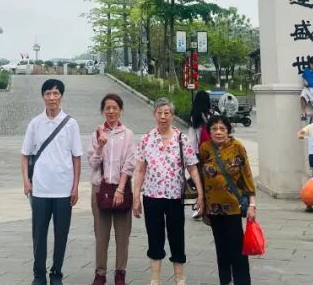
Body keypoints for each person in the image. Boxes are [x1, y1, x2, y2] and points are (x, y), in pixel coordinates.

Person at [132, 97, 204, 285]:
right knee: (154, 235)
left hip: (175, 197)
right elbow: (140, 170)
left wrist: (201, 194)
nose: (163, 116)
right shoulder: (146, 139)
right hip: (152, 196)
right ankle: (155, 278)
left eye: (167, 113)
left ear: (172, 115)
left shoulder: (182, 139)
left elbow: (193, 168)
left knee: (176, 235)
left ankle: (179, 277)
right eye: (159, 113)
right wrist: (136, 196)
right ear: (154, 114)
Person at [21, 79, 83, 285]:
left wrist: (75, 187)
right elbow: (24, 155)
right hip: (40, 189)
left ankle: (56, 273)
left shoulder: (71, 124)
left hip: (63, 190)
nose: (52, 98)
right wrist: (26, 182)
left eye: (56, 94)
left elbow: (76, 157)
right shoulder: (35, 123)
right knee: (39, 235)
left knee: (61, 234)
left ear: (61, 96)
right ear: (43, 96)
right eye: (48, 94)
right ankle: (39, 275)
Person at [198, 114, 256, 285]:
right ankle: (225, 280)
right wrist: (201, 201)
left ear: (228, 131)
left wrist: (252, 204)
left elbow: (247, 175)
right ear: (209, 131)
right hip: (213, 208)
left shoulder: (237, 147)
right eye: (214, 129)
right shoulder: (205, 148)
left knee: (237, 248)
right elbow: (200, 175)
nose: (218, 132)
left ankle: (241, 281)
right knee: (221, 248)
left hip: (233, 207)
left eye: (222, 129)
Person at [87, 93, 136, 285]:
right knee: (101, 234)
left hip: (122, 188)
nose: (111, 111)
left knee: (123, 235)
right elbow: (92, 163)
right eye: (107, 108)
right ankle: (100, 273)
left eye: (115, 107)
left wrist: (120, 189)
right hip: (100, 189)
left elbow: (129, 164)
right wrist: (100, 146)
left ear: (121, 110)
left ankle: (120, 273)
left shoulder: (128, 134)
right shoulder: (96, 134)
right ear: (102, 111)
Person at [187, 90, 213, 220]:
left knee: (201, 182)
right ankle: (212, 207)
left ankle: (200, 208)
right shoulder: (213, 114)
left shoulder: (194, 117)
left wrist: (190, 157)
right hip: (214, 153)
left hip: (199, 154)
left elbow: (192, 140)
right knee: (212, 180)